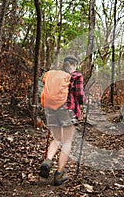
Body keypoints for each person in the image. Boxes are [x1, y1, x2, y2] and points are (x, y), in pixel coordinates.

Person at [39, 55, 86, 186]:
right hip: (67, 110)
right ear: (74, 64)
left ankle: (47, 161)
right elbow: (80, 96)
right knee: (67, 141)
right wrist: (86, 102)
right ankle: (59, 174)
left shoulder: (54, 74)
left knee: (57, 138)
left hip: (51, 110)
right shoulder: (76, 76)